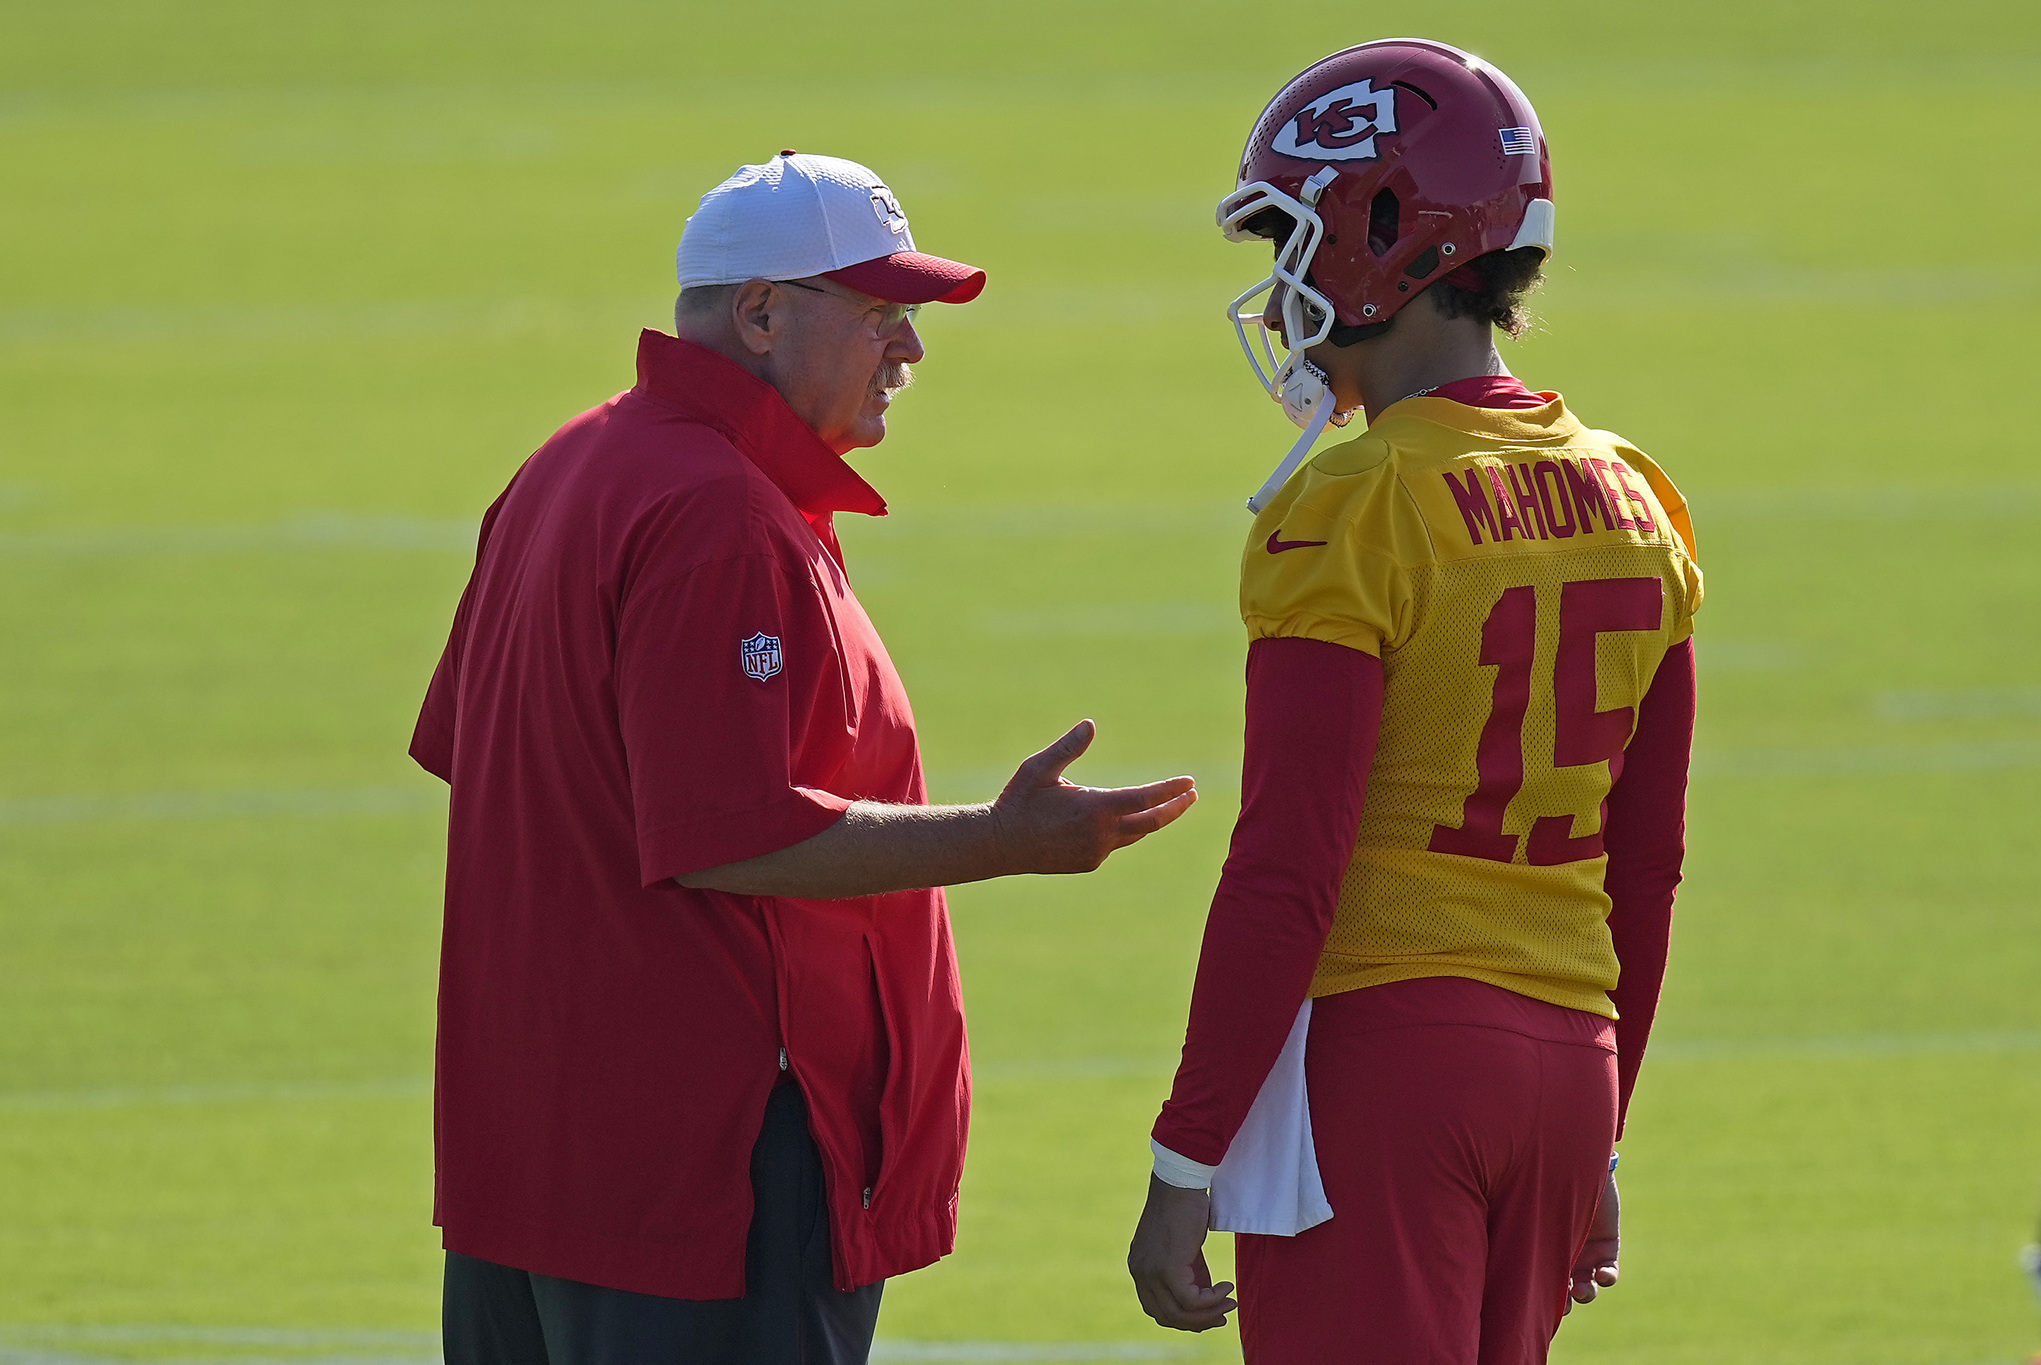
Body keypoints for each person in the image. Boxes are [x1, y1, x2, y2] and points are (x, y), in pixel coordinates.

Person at [411, 151, 1198, 1365]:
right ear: (761, 314)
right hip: (701, 1180)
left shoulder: (567, 465)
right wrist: (1002, 840)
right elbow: (732, 836)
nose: (911, 348)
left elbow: (484, 757)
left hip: (539, 1161)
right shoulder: (716, 513)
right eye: (879, 311)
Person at [1124, 41, 1702, 1362]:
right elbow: (1649, 861)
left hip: (1386, 1064)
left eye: (1287, 237)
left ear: (1380, 230)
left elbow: (1288, 862)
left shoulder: (1357, 500)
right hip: (1567, 1061)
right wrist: (1604, 1125)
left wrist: (1186, 1148)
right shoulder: (1638, 496)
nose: (1274, 289)